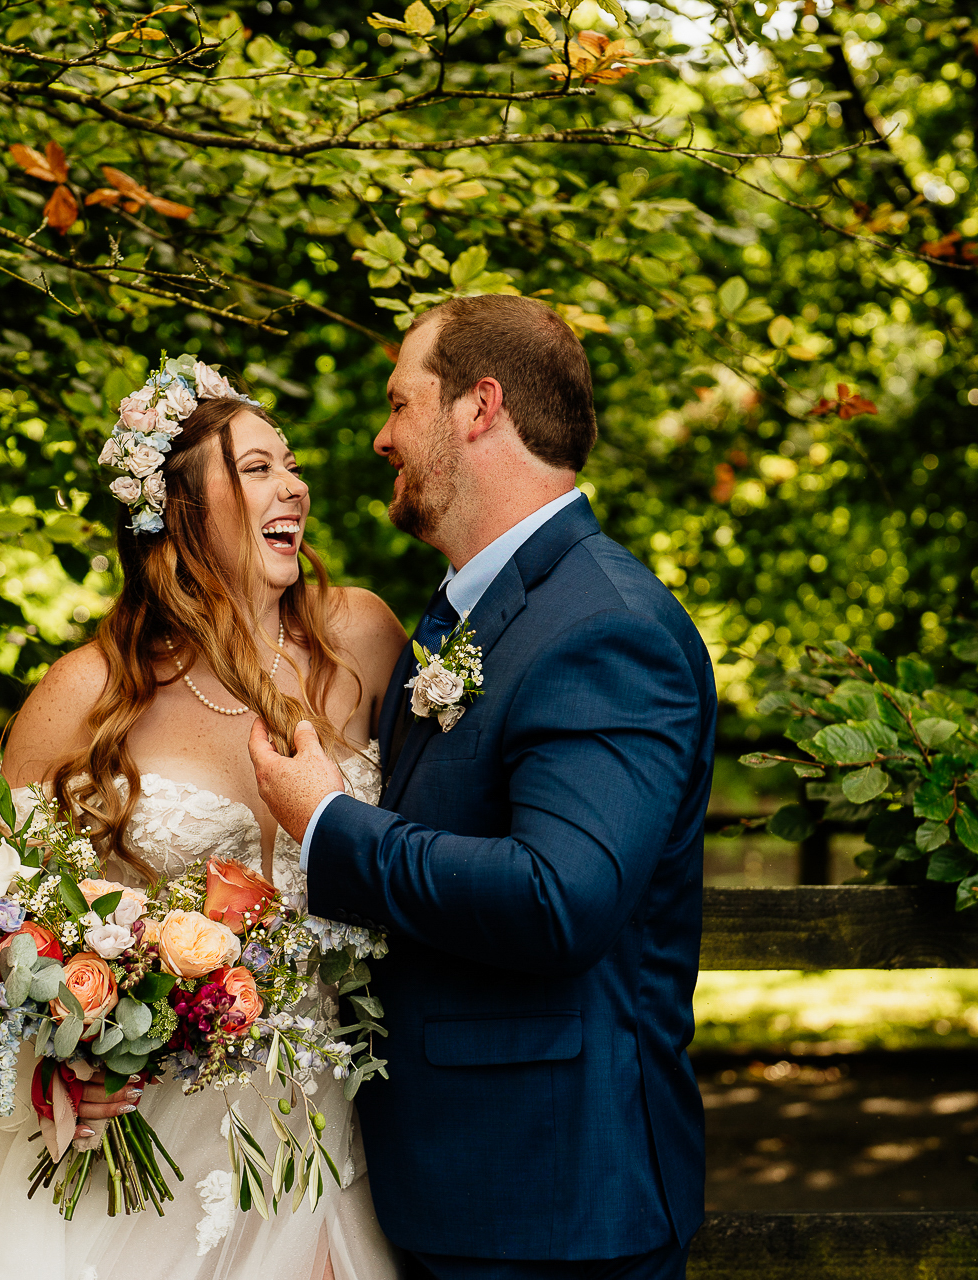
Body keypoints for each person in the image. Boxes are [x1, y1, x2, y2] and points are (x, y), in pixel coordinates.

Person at [0, 360, 410, 1280]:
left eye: (288, 464)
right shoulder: (87, 695)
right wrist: (50, 1066)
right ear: (179, 508)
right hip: (143, 1141)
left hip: (332, 1122)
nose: (293, 484)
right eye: (256, 468)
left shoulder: (365, 641)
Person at [251, 295, 716, 1280]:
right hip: (454, 1181)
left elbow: (559, 896)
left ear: (479, 405)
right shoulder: (477, 613)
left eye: (398, 402)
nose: (381, 437)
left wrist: (330, 824)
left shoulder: (607, 625)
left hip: (551, 1201)